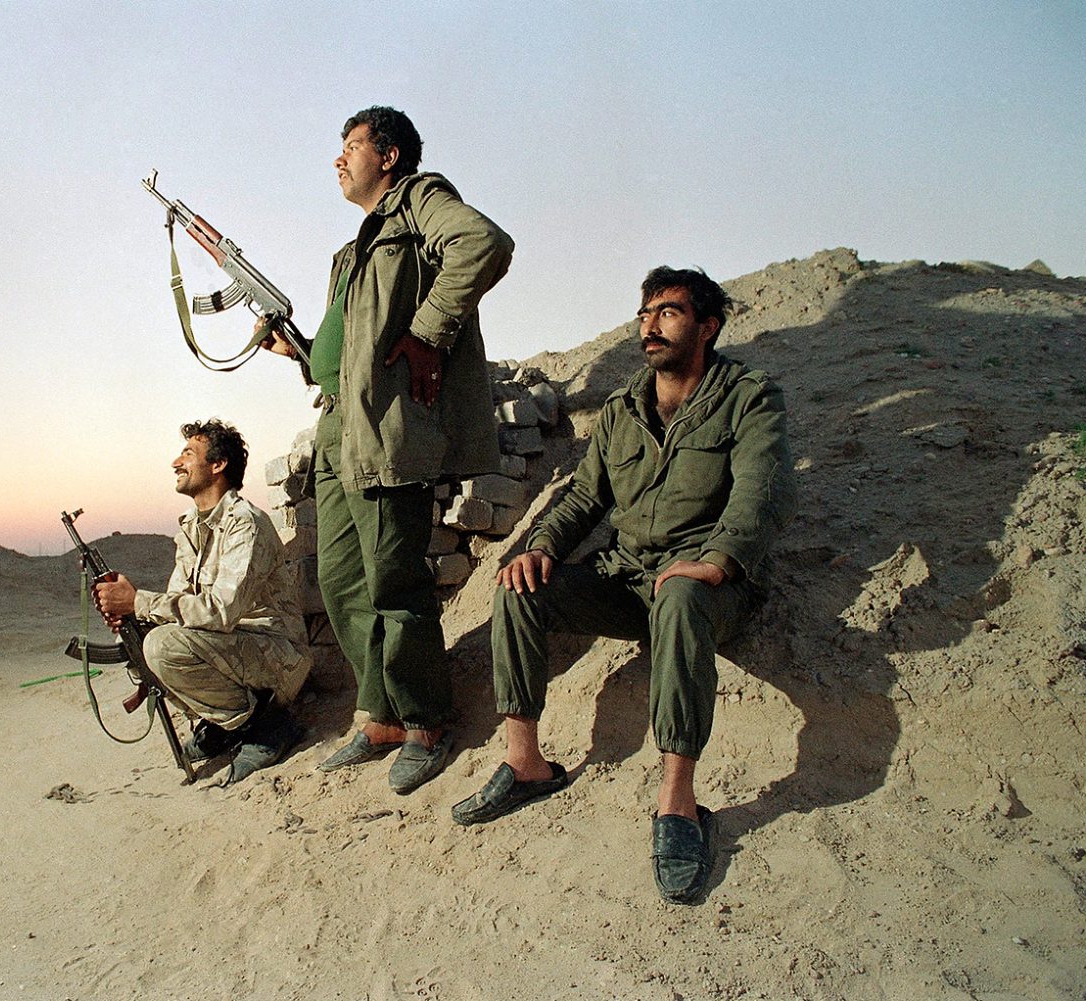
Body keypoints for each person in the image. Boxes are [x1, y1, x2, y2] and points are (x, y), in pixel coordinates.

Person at [451, 267, 796, 904]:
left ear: (707, 326)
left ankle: (678, 804)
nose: (650, 325)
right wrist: (540, 548)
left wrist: (718, 560)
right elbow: (585, 497)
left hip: (708, 586)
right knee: (521, 589)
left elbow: (762, 490)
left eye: (668, 312)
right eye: (645, 314)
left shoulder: (749, 398)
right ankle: (526, 763)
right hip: (630, 578)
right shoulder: (622, 410)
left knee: (682, 596)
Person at [262, 105, 513, 794]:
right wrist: (301, 354)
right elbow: (348, 357)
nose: (339, 159)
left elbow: (484, 244)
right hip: (338, 424)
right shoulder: (354, 251)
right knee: (343, 581)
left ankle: (427, 720)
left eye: (352, 146)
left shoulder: (420, 202)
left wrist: (429, 333)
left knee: (395, 582)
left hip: (385, 428)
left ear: (390, 155)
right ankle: (380, 716)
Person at [93, 419, 311, 783]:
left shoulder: (245, 524)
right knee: (141, 639)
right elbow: (178, 604)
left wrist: (139, 602)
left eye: (188, 454)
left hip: (276, 658)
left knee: (162, 646)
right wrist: (129, 616)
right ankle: (224, 725)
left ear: (218, 465)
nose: (176, 463)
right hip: (231, 651)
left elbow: (220, 611)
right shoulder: (191, 529)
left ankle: (268, 726)